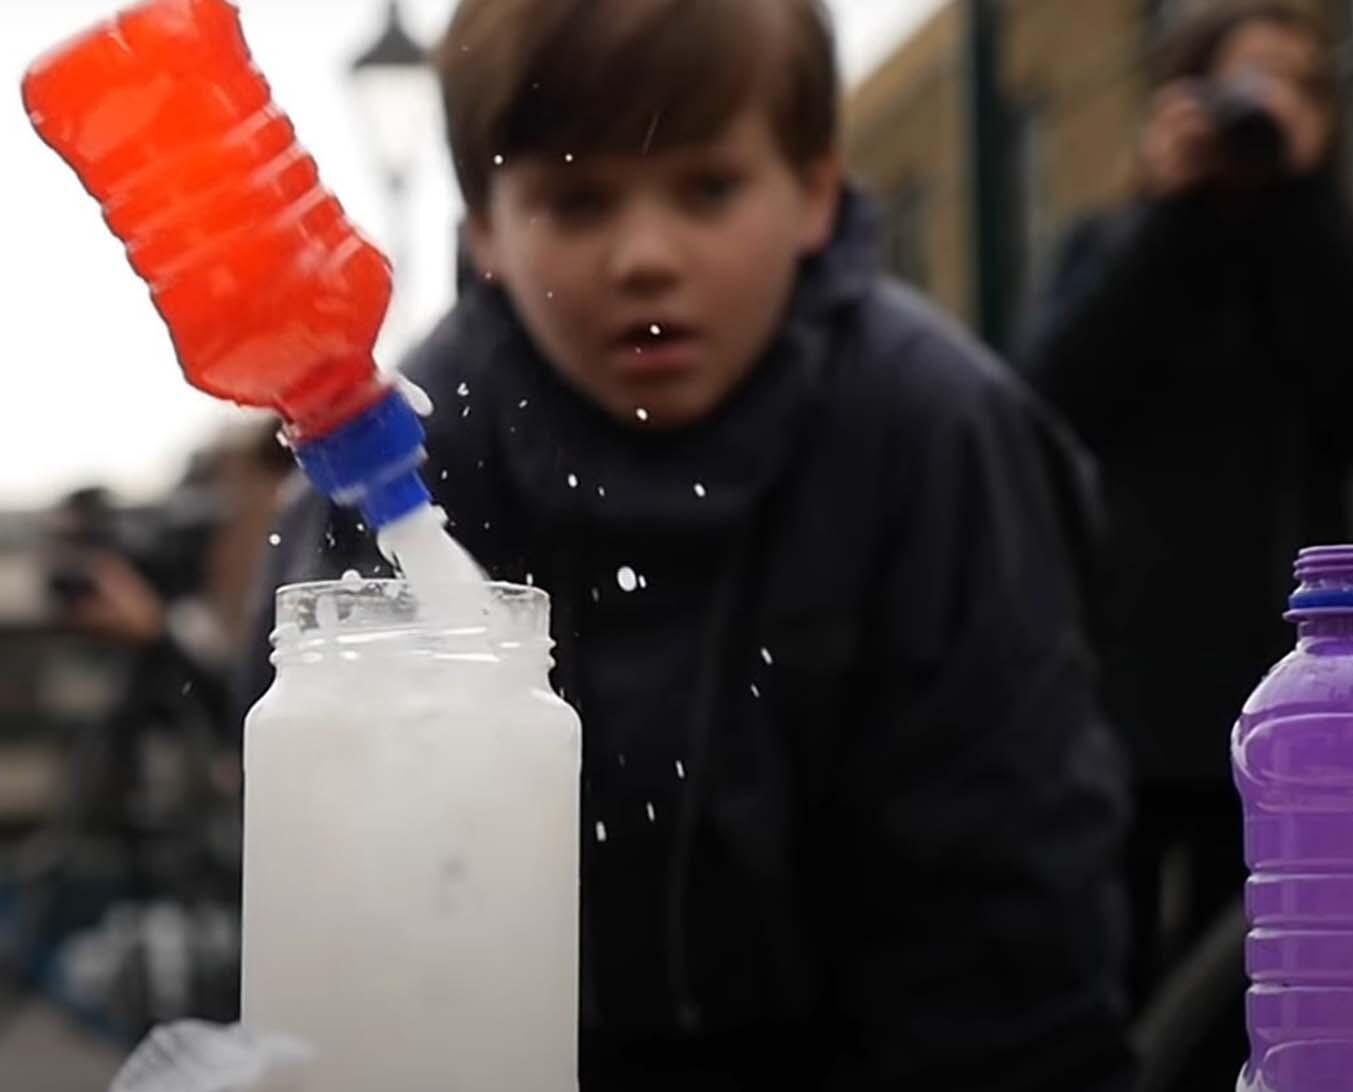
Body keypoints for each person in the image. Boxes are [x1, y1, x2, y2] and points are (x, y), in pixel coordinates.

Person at [240, 0, 1134, 1086]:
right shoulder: (418, 456)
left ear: (813, 190)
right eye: (576, 200)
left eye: (707, 187)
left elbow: (1012, 899)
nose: (644, 256)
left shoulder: (938, 438)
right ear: (484, 227)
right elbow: (318, 874)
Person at [1016, 1, 1353, 1004]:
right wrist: (1168, 213)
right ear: (1183, 100)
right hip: (1121, 686)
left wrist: (1295, 212)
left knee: (1267, 984)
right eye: (1247, 83)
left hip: (1294, 682)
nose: (1273, 105)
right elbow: (1048, 396)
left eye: (1301, 84)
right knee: (1103, 984)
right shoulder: (1114, 246)